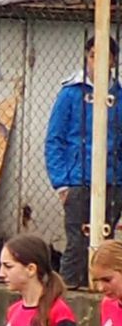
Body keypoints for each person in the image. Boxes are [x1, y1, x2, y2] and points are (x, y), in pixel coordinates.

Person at [44, 34, 122, 288]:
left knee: (107, 244)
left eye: (104, 57)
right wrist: (61, 183)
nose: (96, 62)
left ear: (113, 61)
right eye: (92, 56)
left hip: (113, 180)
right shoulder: (70, 94)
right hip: (78, 180)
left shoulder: (119, 97)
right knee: (77, 242)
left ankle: (103, 292)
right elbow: (54, 140)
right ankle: (68, 292)